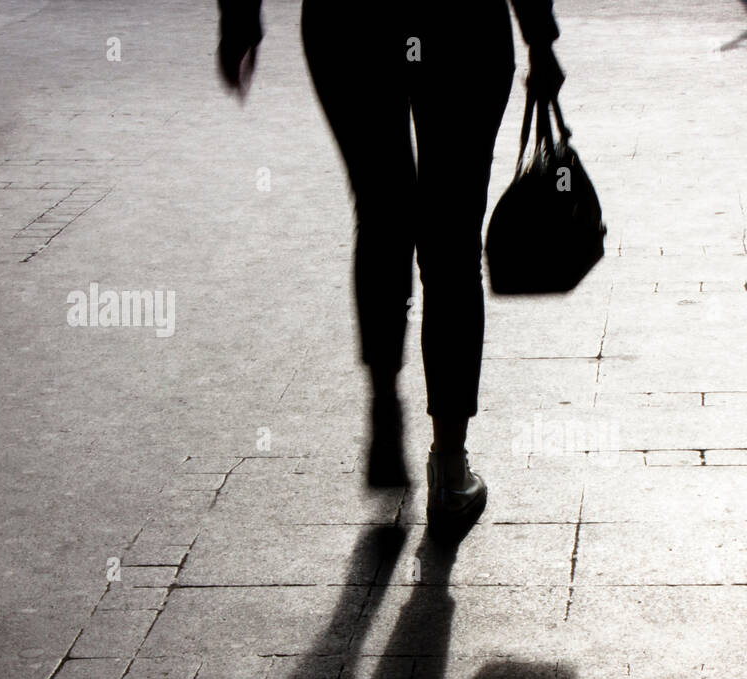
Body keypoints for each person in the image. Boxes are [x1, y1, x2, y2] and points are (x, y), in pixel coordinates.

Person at [217, 0, 564, 533]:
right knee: (451, 242)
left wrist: (240, 15)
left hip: (350, 25)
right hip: (462, 27)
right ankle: (449, 470)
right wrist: (539, 37)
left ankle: (383, 399)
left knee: (382, 215)